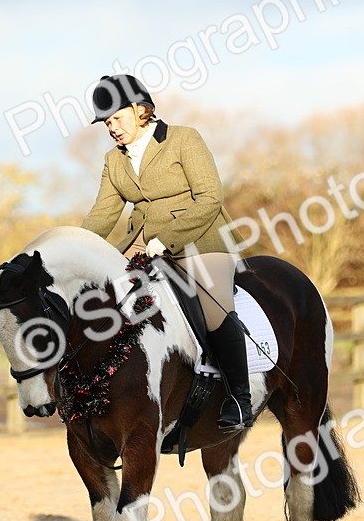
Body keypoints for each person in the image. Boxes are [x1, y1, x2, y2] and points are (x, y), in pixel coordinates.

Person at [81, 74, 253, 429]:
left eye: (116, 118)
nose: (111, 128)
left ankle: (240, 398)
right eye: (107, 123)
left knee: (213, 309)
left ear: (139, 109)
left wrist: (168, 239)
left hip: (201, 242)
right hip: (142, 246)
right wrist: (75, 246)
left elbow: (210, 197)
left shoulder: (183, 140)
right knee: (113, 309)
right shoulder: (114, 161)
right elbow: (103, 214)